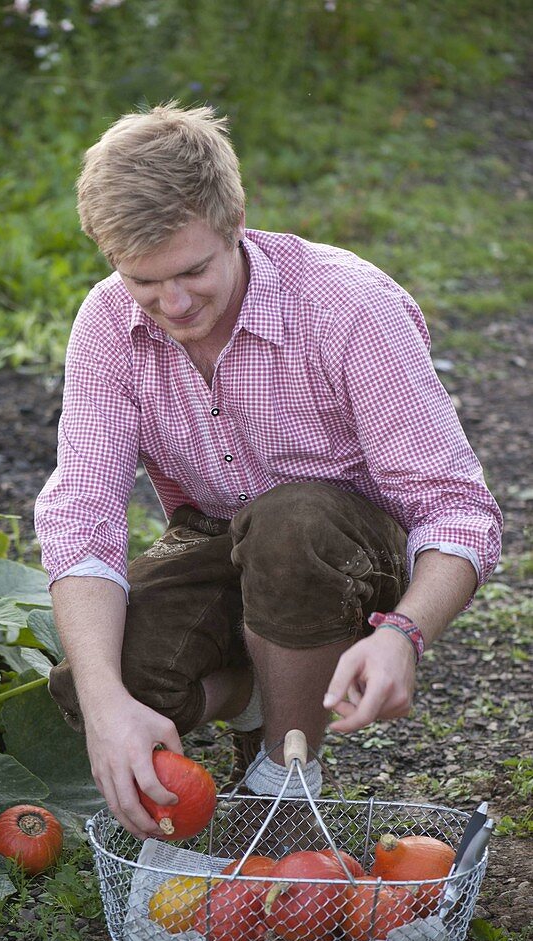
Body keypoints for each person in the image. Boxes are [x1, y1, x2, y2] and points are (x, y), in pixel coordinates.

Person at [34, 103, 502, 840]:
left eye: (193, 271)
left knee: (290, 527)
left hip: (347, 549)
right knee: (108, 669)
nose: (175, 304)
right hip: (219, 532)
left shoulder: (349, 309)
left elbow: (456, 510)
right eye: (144, 282)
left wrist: (403, 634)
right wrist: (102, 706)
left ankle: (287, 776)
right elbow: (81, 522)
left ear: (235, 219)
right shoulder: (106, 327)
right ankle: (263, 687)